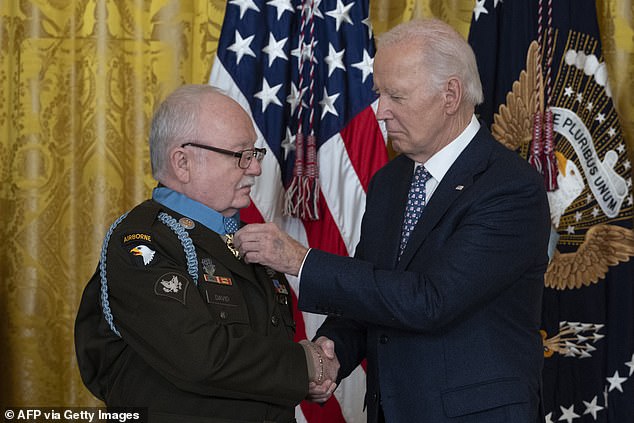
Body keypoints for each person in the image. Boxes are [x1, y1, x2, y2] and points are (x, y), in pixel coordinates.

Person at [234, 19, 551, 423]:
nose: (381, 111)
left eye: (396, 96)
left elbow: (431, 300)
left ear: (450, 95)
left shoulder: (509, 187)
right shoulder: (390, 181)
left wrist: (301, 260)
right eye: (380, 94)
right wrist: (330, 353)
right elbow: (371, 289)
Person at [74, 84, 338, 423]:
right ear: (182, 162)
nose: (255, 169)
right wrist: (305, 365)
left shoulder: (246, 238)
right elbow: (199, 357)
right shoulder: (141, 241)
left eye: (254, 154)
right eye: (240, 155)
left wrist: (303, 380)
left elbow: (256, 359)